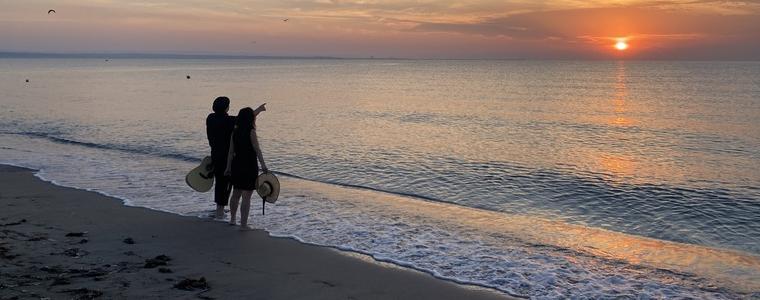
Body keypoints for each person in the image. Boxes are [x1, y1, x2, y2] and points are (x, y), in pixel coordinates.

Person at [225, 105, 268, 228]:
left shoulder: (235, 131)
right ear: (251, 119)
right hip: (249, 165)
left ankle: (232, 219)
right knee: (246, 197)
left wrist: (228, 168)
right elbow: (257, 149)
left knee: (236, 193)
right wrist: (263, 165)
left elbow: (230, 151)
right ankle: (243, 224)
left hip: (236, 164)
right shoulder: (251, 131)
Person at [206, 97, 236, 219]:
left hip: (215, 153)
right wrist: (259, 110)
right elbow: (246, 118)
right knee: (226, 183)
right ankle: (220, 210)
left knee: (220, 181)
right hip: (227, 156)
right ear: (226, 107)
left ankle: (219, 208)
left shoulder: (210, 118)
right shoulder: (229, 120)